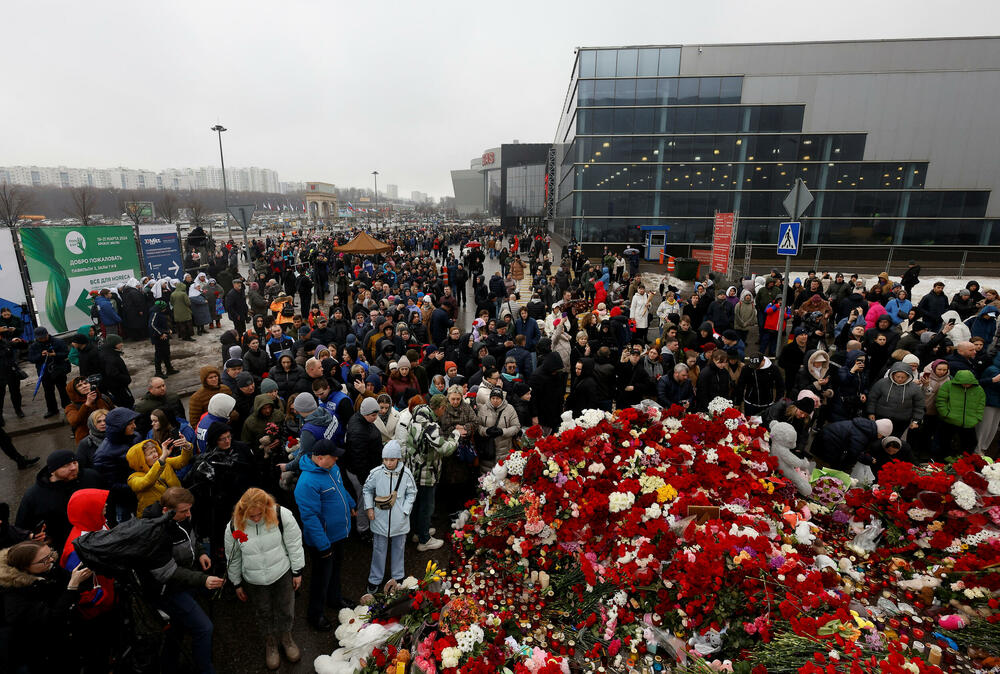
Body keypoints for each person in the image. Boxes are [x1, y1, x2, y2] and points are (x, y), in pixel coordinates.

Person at [225, 488, 305, 670]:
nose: (255, 519)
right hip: (254, 580)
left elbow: (294, 543)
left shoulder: (281, 515)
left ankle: (287, 638)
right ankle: (270, 644)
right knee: (263, 612)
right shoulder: (234, 526)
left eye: (259, 515)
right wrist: (236, 582)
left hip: (281, 573)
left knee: (286, 608)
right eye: (250, 516)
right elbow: (233, 557)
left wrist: (297, 571)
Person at [149, 487, 226, 674]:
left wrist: (199, 553)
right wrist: (202, 579)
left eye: (189, 509)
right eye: (184, 511)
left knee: (178, 625)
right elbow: (167, 572)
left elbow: (192, 538)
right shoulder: (156, 533)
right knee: (204, 628)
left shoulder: (182, 517)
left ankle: (168, 664)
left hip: (185, 581)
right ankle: (205, 669)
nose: (189, 514)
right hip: (168, 590)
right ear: (166, 511)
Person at [0, 540, 94, 673]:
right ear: (25, 567)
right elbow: (51, 620)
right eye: (45, 559)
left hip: (63, 641)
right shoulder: (14, 598)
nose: (51, 560)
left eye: (51, 554)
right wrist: (72, 587)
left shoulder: (44, 568)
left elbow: (64, 580)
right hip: (38, 653)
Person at [294, 439, 355, 632]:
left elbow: (341, 489)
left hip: (338, 534)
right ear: (319, 458)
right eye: (333, 456)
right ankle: (315, 614)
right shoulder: (306, 483)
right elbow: (310, 518)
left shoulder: (332, 469)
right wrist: (323, 545)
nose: (336, 459)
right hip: (323, 540)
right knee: (321, 577)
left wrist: (351, 503)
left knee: (336, 569)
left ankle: (335, 598)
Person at [15, 449, 103, 551]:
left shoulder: (91, 477)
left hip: (97, 537)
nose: (73, 468)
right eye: (65, 466)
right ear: (52, 471)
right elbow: (22, 527)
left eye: (75, 462)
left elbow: (108, 501)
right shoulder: (34, 495)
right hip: (63, 546)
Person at [362, 440, 417, 594]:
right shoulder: (376, 473)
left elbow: (412, 492)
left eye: (392, 459)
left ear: (398, 459)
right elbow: (367, 490)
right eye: (385, 459)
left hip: (399, 520)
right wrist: (369, 508)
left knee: (399, 547)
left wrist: (405, 511)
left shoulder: (406, 473)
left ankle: (398, 576)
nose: (388, 463)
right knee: (378, 549)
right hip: (380, 519)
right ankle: (375, 579)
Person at [403, 394, 458, 552]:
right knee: (426, 506)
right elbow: (445, 449)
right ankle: (424, 540)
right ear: (440, 408)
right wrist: (455, 436)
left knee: (417, 504)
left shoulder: (415, 418)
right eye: (444, 409)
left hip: (414, 470)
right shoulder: (431, 427)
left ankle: (418, 532)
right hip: (426, 473)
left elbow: (410, 444)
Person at [92, 407, 142, 523]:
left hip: (143, 492)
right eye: (130, 424)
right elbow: (111, 485)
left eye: (134, 422)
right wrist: (138, 485)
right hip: (124, 501)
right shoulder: (103, 455)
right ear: (119, 427)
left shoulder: (135, 436)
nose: (134, 426)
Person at [127, 437, 192, 517]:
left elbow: (182, 461)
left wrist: (186, 446)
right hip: (153, 517)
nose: (155, 455)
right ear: (140, 460)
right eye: (150, 453)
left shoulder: (165, 462)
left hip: (176, 509)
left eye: (155, 451)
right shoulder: (133, 478)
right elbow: (147, 482)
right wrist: (161, 460)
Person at [935, 369, 985, 456]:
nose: (966, 385)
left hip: (969, 422)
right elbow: (941, 400)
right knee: (945, 443)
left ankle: (964, 462)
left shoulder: (979, 389)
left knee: (971, 443)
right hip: (950, 420)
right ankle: (943, 462)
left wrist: (977, 418)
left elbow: (981, 404)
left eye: (968, 383)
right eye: (964, 383)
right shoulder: (948, 385)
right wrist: (946, 414)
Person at [27, 327, 71, 418]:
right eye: (40, 338)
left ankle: (68, 408)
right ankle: (52, 410)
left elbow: (66, 353)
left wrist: (55, 355)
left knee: (63, 390)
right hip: (45, 373)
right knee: (48, 392)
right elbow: (31, 359)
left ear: (47, 334)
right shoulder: (34, 346)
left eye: (43, 337)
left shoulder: (58, 342)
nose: (42, 339)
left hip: (59, 370)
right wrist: (40, 355)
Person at [476, 387, 521, 470]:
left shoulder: (510, 409)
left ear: (502, 399)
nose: (495, 400)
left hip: (504, 451)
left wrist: (502, 431)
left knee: (502, 475)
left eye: (498, 398)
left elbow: (516, 427)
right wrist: (486, 431)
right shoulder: (483, 409)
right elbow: (478, 426)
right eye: (493, 398)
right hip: (487, 450)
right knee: (486, 477)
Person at [64, 375, 114, 443]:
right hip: (89, 440)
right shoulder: (71, 407)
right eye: (79, 386)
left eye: (86, 383)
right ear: (74, 391)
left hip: (110, 435)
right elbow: (74, 421)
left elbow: (113, 413)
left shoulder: (102, 398)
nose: (84, 386)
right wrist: (87, 404)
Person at [149, 298, 179, 377]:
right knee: (159, 355)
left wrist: (168, 330)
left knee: (166, 353)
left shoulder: (160, 313)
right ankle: (158, 372)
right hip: (158, 338)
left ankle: (169, 369)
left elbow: (163, 324)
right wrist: (161, 334)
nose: (165, 309)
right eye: (164, 308)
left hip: (164, 337)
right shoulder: (155, 314)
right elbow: (152, 325)